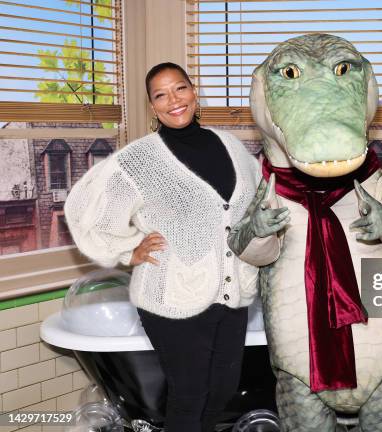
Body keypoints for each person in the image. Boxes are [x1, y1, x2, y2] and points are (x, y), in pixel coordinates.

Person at [64, 62, 260, 432]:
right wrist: (129, 250)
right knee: (189, 396)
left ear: (193, 91)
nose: (173, 100)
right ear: (152, 107)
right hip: (171, 296)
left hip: (232, 294)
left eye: (180, 88)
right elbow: (86, 209)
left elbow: (257, 205)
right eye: (161, 95)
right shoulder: (139, 160)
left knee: (221, 392)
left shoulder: (231, 146)